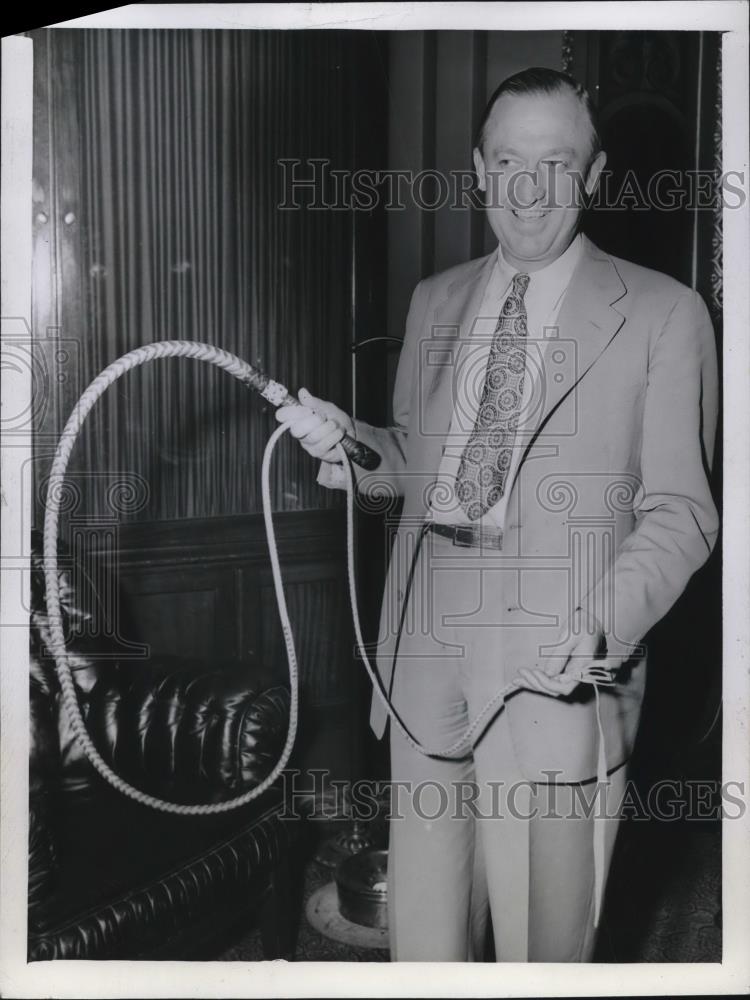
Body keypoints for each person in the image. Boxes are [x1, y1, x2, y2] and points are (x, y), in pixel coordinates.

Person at [276, 67, 719, 962]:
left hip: (561, 667)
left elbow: (683, 513)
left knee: (544, 952)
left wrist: (603, 620)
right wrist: (349, 445)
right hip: (425, 658)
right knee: (424, 946)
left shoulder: (668, 315)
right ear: (478, 169)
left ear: (592, 178)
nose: (526, 189)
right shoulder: (433, 299)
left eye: (555, 165)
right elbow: (414, 461)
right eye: (508, 161)